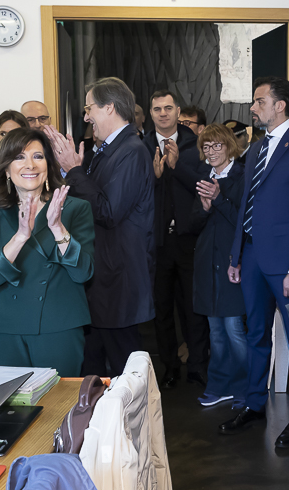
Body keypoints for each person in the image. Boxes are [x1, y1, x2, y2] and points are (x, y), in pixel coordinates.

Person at [220, 77, 289, 448]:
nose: (253, 108)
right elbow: (246, 206)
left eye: (259, 101)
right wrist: (236, 255)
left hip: (286, 265)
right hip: (251, 258)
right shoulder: (256, 148)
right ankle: (254, 405)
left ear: (280, 105)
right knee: (255, 334)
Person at [49, 77, 154, 377]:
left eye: (89, 108)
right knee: (93, 369)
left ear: (109, 107)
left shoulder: (131, 150)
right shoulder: (110, 149)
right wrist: (74, 171)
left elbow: (107, 212)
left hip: (118, 280)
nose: (86, 117)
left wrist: (75, 170)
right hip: (104, 279)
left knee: (126, 376)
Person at [0, 128, 94, 376]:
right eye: (19, 157)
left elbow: (83, 273)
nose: (30, 165)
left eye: (38, 156)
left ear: (48, 165)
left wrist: (57, 228)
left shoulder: (75, 208)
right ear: (6, 169)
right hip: (4, 329)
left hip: (58, 325)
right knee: (11, 400)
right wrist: (20, 236)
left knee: (59, 399)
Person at [144, 90, 210, 389]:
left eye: (168, 108)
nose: (163, 113)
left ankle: (197, 367)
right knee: (162, 308)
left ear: (177, 111)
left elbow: (205, 186)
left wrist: (176, 166)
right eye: (157, 109)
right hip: (156, 241)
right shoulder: (142, 145)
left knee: (193, 308)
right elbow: (135, 192)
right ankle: (169, 367)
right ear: (151, 113)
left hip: (189, 238)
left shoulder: (195, 143)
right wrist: (155, 177)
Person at [190, 124, 248, 409]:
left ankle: (245, 388)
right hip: (207, 262)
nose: (211, 152)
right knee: (215, 331)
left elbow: (244, 221)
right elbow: (192, 224)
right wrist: (203, 208)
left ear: (229, 146)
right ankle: (219, 386)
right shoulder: (204, 177)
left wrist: (218, 199)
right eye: (206, 146)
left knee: (234, 329)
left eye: (217, 145)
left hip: (232, 262)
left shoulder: (243, 175)